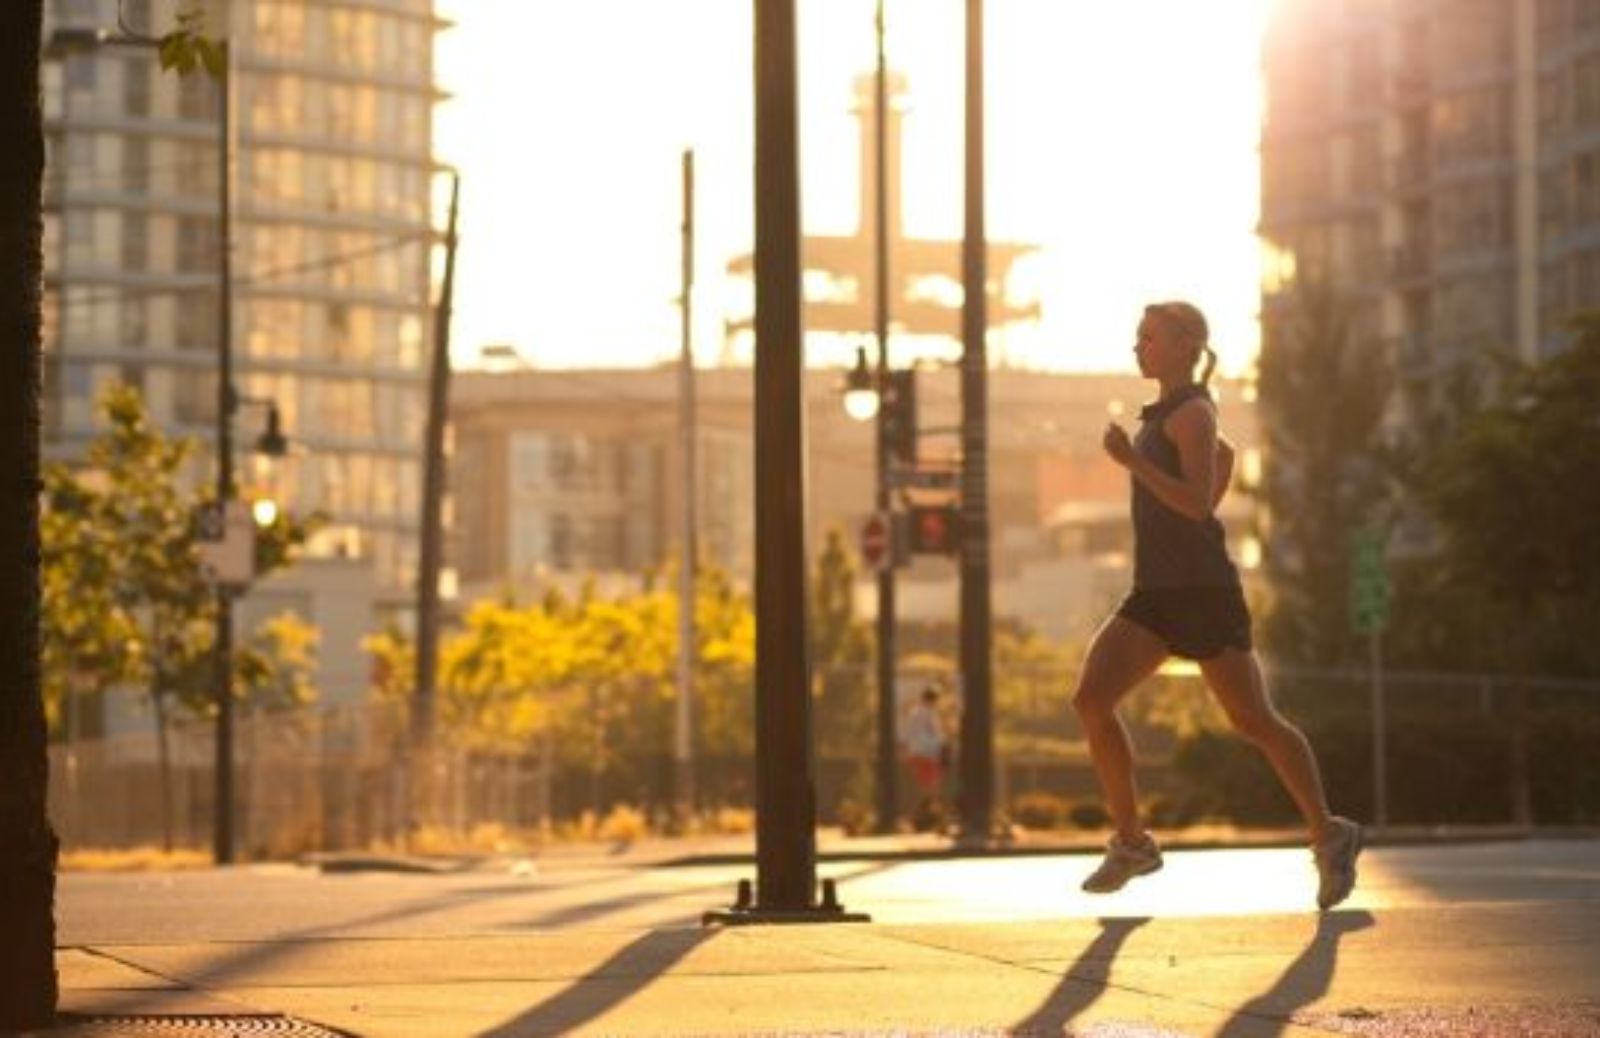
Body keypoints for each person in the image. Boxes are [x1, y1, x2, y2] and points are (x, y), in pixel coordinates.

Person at [1074, 300, 1361, 910]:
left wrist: (1130, 463)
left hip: (1203, 593)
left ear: (1183, 344)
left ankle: (1329, 833)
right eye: (1137, 336)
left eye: (1148, 337)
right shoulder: (1176, 413)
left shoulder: (1193, 413)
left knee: (1253, 719)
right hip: (1156, 592)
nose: (1137, 347)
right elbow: (1224, 461)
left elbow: (1199, 502)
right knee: (1092, 699)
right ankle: (1132, 842)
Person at [903, 686, 948, 829]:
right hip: (928, 753)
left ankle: (925, 812)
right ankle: (928, 813)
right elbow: (935, 733)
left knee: (924, 784)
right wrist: (941, 746)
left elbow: (909, 734)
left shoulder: (914, 713)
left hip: (916, 752)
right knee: (932, 784)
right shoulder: (929, 713)